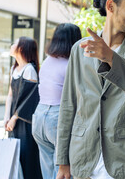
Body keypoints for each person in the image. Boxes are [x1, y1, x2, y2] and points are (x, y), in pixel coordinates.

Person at [56, 0, 125, 179]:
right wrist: (63, 162)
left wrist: (110, 57)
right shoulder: (80, 49)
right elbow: (68, 105)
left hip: (123, 159)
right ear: (111, 6)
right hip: (83, 157)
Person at [32, 23, 82, 179]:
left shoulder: (47, 61)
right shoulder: (71, 65)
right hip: (58, 118)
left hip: (39, 116)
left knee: (47, 168)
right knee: (63, 172)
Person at [4, 36, 43, 179]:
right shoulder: (14, 68)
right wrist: (6, 117)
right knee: (15, 157)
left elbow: (30, 99)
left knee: (26, 157)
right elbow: (10, 95)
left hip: (24, 122)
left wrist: (14, 117)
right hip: (14, 120)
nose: (12, 45)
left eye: (15, 43)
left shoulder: (29, 70)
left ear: (21, 48)